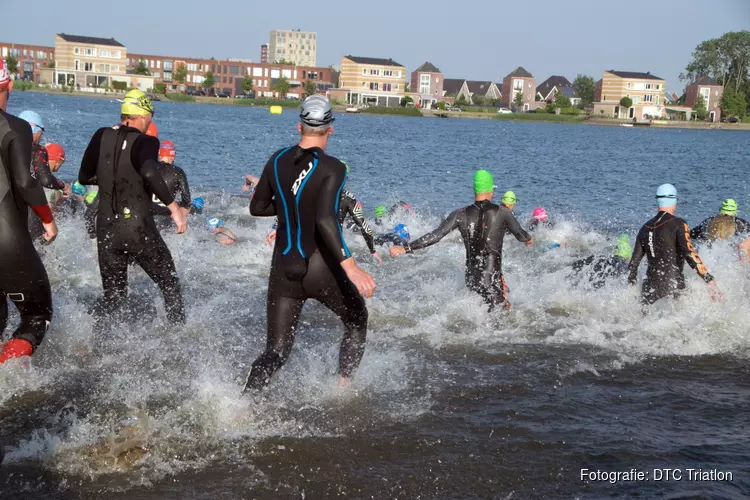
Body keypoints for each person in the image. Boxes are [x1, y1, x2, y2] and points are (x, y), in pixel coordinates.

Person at [244, 95, 375, 392]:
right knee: (356, 320)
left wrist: (292, 205)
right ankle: (342, 390)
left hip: (284, 271)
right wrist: (351, 267)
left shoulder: (276, 159)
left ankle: (242, 405)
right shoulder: (333, 167)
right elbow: (326, 220)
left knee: (275, 352)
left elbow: (258, 207)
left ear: (299, 126)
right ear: (331, 129)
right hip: (320, 267)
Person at [78, 89, 188, 328]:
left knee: (114, 297)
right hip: (137, 228)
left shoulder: (101, 135)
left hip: (106, 229)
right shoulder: (146, 140)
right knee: (169, 284)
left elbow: (84, 175)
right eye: (151, 115)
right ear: (143, 115)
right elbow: (149, 172)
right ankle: (179, 337)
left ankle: (99, 344)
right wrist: (174, 207)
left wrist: (114, 178)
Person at [390, 173, 532, 310]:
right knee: (500, 316)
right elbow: (521, 235)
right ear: (491, 191)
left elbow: (436, 235)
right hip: (491, 278)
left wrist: (407, 248)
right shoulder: (502, 212)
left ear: (474, 190)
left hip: (471, 277)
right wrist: (529, 239)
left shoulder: (460, 214)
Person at [0, 60, 59, 364]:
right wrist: (48, 220)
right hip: (6, 241)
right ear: (8, 85)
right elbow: (26, 181)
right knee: (37, 315)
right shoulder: (15, 127)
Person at [260, 163, 382, 264]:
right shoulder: (348, 198)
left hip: (306, 243)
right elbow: (365, 227)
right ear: (344, 179)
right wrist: (373, 250)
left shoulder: (312, 192)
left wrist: (277, 227)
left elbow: (291, 209)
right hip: (333, 246)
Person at [628, 184, 720, 305]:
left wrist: (631, 292)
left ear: (658, 200)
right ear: (674, 200)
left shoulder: (644, 228)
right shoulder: (679, 224)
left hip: (648, 290)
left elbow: (632, 266)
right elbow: (689, 253)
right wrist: (709, 280)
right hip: (672, 288)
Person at [151, 140, 194, 229]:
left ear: (159, 154)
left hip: (148, 214)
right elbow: (187, 202)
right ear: (173, 156)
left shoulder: (148, 169)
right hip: (167, 216)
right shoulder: (178, 172)